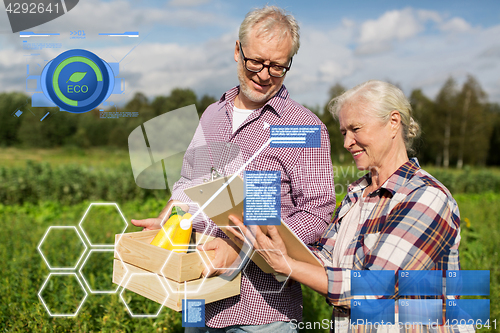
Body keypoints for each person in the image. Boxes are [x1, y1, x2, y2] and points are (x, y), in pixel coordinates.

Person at [131, 5, 336, 332]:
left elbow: (318, 209)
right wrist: (168, 220)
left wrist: (244, 244)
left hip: (260, 313)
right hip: (197, 298)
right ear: (237, 50)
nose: (265, 74)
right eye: (256, 61)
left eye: (278, 66)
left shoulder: (303, 127)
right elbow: (188, 182)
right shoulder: (212, 115)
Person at [227, 80, 465, 332]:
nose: (347, 142)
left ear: (393, 122)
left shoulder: (425, 197)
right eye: (343, 132)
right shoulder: (356, 195)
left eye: (356, 129)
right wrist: (273, 244)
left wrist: (287, 265)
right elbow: (324, 259)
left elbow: (376, 289)